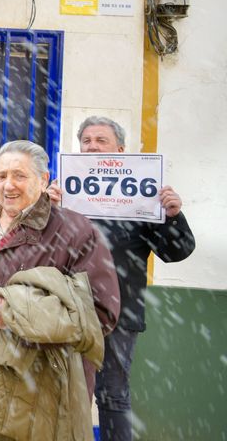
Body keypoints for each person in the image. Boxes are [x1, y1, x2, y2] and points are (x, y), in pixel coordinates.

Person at [0, 140, 121, 439]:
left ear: (43, 180)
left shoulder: (77, 233)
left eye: (19, 176)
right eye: (0, 176)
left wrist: (19, 315)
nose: (8, 185)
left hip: (46, 390)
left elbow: (100, 313)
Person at [47, 117, 195, 441]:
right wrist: (46, 210)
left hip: (120, 313)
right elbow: (41, 250)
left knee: (112, 395)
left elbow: (177, 251)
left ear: (121, 150)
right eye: (86, 140)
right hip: (67, 310)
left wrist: (173, 216)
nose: (92, 146)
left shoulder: (144, 199)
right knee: (64, 394)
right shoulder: (65, 196)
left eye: (101, 140)